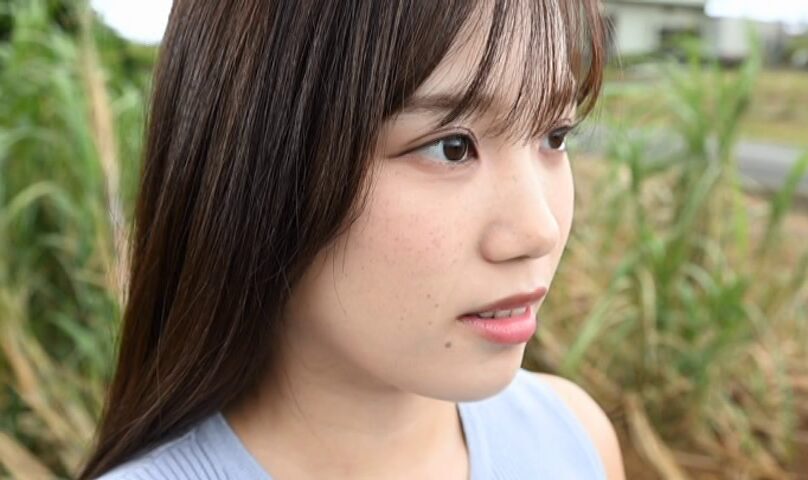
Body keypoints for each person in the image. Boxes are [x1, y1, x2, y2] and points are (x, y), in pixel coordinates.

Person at [78, 0, 625, 478]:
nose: (537, 231)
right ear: (259, 165)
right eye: (452, 147)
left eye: (555, 136)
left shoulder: (572, 440)